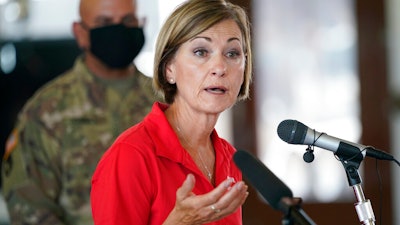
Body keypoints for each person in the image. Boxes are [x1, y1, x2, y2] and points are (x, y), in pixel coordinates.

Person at [90, 0, 253, 224]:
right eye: (201, 51)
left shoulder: (230, 158)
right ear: (169, 69)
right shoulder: (130, 156)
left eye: (232, 53)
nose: (220, 67)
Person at [1, 0, 158, 224]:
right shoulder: (45, 112)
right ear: (80, 33)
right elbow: (28, 207)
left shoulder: (166, 101)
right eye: (104, 23)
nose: (118, 30)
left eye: (128, 21)